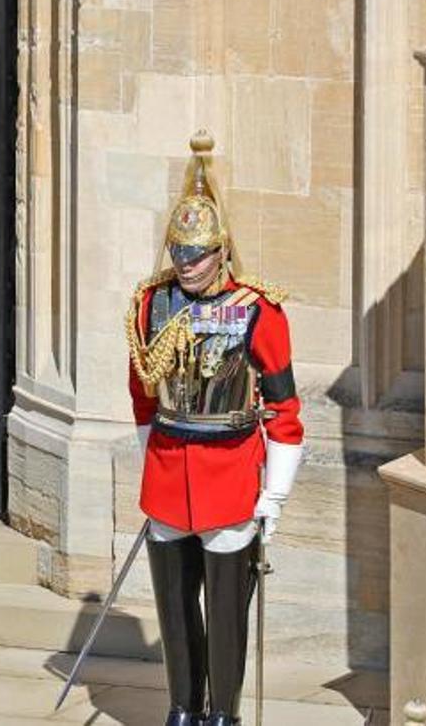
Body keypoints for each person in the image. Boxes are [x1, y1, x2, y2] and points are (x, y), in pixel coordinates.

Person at [125, 134, 304, 726]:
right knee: (174, 614)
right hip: (170, 476)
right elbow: (143, 397)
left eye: (197, 252)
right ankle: (182, 706)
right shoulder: (150, 305)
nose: (185, 262)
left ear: (221, 250)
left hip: (229, 477)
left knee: (226, 619)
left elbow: (283, 410)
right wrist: (151, 465)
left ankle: (221, 713)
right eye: (178, 249)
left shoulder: (258, 309)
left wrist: (272, 496)